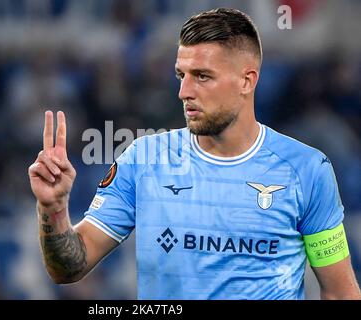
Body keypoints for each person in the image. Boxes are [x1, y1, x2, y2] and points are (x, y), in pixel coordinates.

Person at [28, 8, 361, 299]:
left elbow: (340, 292)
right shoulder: (143, 160)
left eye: (202, 76)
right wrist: (53, 209)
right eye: (181, 75)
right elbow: (69, 268)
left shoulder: (307, 170)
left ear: (247, 81)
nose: (184, 92)